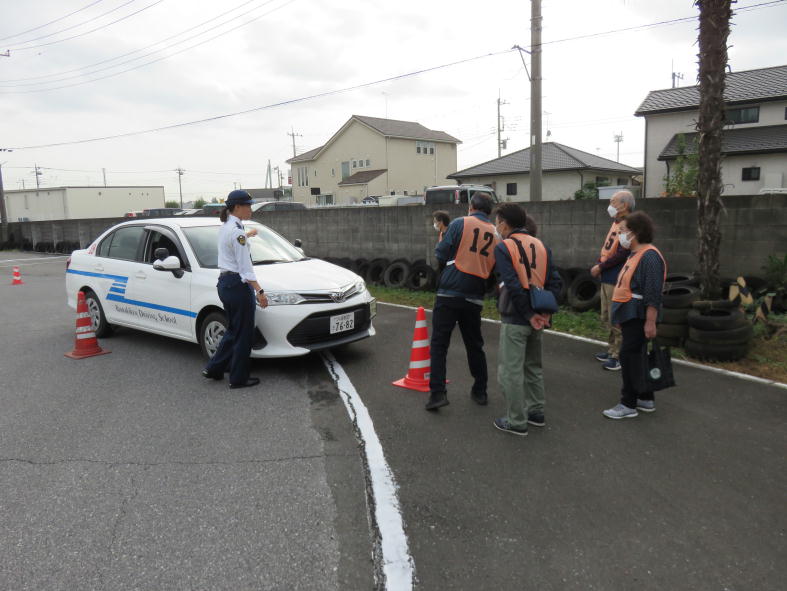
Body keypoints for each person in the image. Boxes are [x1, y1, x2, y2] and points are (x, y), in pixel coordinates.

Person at [492, 204, 562, 436]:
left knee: (510, 371)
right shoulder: (542, 246)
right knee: (533, 366)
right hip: (540, 313)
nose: (497, 226)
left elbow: (512, 284)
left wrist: (528, 315)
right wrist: (544, 314)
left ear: (504, 222)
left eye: (498, 221)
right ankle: (536, 412)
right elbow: (554, 282)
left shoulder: (505, 247)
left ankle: (516, 421)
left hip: (516, 316)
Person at [426, 192, 498, 411]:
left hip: (450, 291)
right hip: (474, 295)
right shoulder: (496, 234)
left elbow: (441, 253)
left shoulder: (460, 223)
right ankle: (480, 391)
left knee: (439, 344)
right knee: (475, 345)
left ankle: (438, 394)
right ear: (489, 211)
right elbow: (495, 268)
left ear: (471, 207)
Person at [602, 211, 666, 419]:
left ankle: (627, 402)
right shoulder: (636, 254)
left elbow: (653, 292)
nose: (620, 236)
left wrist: (650, 321)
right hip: (630, 314)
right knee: (637, 357)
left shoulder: (650, 256)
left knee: (628, 357)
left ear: (636, 232)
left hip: (639, 314)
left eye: (623, 231)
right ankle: (645, 398)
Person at [202, 190, 269, 389]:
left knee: (233, 329)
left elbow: (234, 243)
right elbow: (245, 268)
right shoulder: (237, 232)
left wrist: (248, 235)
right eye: (248, 205)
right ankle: (238, 378)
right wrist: (260, 291)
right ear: (237, 207)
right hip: (238, 286)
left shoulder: (226, 227)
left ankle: (214, 368)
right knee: (243, 334)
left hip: (225, 284)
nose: (251, 209)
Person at [590, 190, 634, 371]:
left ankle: (618, 355)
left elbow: (622, 253)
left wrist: (601, 266)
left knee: (616, 317)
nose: (610, 205)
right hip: (608, 274)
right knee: (607, 315)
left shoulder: (629, 225)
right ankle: (611, 349)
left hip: (616, 276)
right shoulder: (616, 222)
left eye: (613, 201)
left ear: (624, 205)